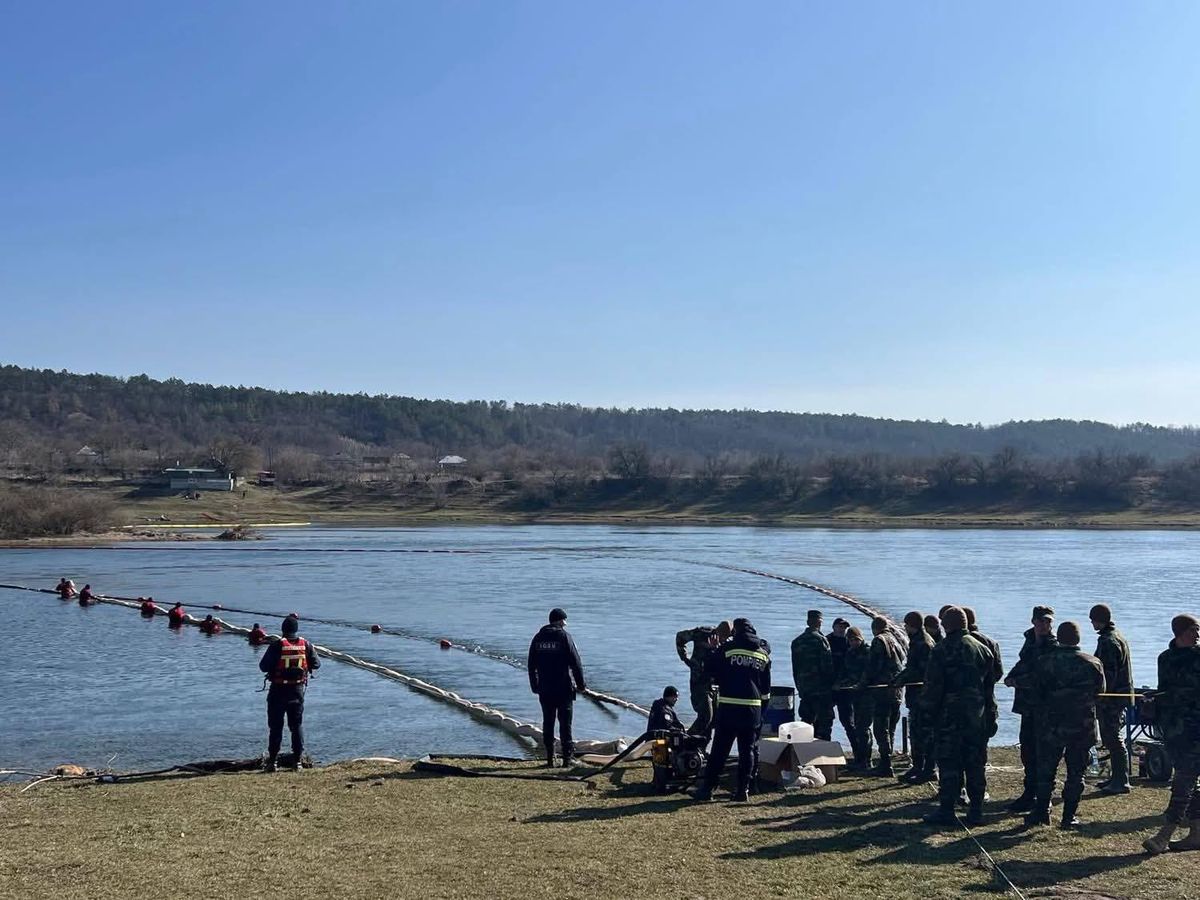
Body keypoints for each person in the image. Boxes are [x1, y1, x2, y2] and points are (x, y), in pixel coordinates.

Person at [1023, 621, 1104, 828]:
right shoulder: (1092, 663)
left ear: (1059, 637)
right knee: (1076, 773)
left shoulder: (1045, 662)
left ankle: (1042, 811)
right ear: (1078, 639)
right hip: (1081, 726)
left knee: (1046, 770)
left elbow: (1036, 692)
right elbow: (1099, 691)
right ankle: (1069, 816)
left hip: (1050, 725)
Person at [921, 606, 996, 827]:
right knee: (975, 764)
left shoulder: (941, 650)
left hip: (949, 718)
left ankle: (947, 810)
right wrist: (991, 717)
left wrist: (926, 715)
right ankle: (976, 810)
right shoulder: (984, 650)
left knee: (949, 763)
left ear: (947, 625)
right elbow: (989, 689)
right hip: (977, 716)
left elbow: (933, 688)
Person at [694, 617, 771, 802]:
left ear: (734, 632)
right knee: (748, 752)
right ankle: (742, 790)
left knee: (719, 751)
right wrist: (762, 714)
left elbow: (709, 673)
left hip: (729, 708)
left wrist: (713, 649)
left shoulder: (727, 650)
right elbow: (766, 690)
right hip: (753, 710)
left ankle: (707, 790)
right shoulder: (763, 654)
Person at [1143, 614, 1200, 854]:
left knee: (1184, 779)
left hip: (1197, 726)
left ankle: (1164, 834)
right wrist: (1153, 702)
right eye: (1192, 630)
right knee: (1190, 778)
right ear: (1179, 632)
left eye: (1198, 630)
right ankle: (1196, 834)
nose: (1197, 634)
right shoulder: (1165, 658)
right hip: (1175, 728)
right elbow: (1165, 689)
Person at [1003, 605, 1057, 813]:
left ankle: (1044, 797)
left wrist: (1017, 681)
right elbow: (1024, 663)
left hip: (1045, 707)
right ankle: (1029, 793)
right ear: (1033, 621)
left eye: (1048, 621)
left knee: (1043, 753)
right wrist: (1011, 676)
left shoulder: (1053, 646)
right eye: (1041, 621)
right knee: (1028, 751)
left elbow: (1042, 676)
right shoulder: (1030, 641)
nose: (1045, 625)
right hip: (1028, 707)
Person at [258, 614, 320, 772]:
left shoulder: (277, 645)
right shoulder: (305, 644)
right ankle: (297, 762)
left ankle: (272, 762)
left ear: (282, 630)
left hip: (277, 692)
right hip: (297, 692)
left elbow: (263, 666)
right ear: (296, 630)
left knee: (276, 727)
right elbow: (316, 664)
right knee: (296, 726)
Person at [528, 607, 586, 767]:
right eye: (564, 621)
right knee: (565, 723)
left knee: (548, 722)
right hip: (563, 688)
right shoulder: (564, 637)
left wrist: (535, 685)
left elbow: (531, 665)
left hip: (545, 689)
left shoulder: (538, 638)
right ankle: (568, 759)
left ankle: (549, 758)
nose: (565, 624)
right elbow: (576, 663)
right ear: (560, 621)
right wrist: (581, 685)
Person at [1090, 603, 1133, 795]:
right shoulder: (1117, 637)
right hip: (1119, 696)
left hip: (1111, 698)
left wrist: (1100, 694)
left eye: (1093, 619)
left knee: (1113, 738)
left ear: (1099, 620)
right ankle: (1116, 777)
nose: (1091, 623)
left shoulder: (1108, 641)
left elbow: (1108, 674)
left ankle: (1121, 780)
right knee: (1111, 737)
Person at [861, 616, 905, 776]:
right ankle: (887, 761)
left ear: (874, 629)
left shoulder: (879, 640)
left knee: (881, 728)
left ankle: (885, 764)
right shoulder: (896, 639)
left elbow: (873, 666)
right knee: (891, 728)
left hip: (883, 692)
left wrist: (862, 684)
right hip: (897, 691)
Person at [896, 611, 935, 783]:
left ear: (911, 625)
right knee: (916, 733)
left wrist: (898, 680)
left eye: (906, 625)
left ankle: (928, 769)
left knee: (924, 734)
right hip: (917, 697)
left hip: (923, 697)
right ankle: (918, 766)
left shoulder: (922, 643)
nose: (904, 628)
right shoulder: (918, 641)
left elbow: (918, 671)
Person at [791, 610, 835, 741]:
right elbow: (828, 666)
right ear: (819, 622)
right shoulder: (821, 640)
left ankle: (804, 751)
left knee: (806, 721)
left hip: (805, 688)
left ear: (807, 622)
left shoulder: (797, 642)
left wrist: (800, 686)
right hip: (821, 689)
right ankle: (823, 753)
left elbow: (795, 668)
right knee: (824, 722)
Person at [675, 622, 722, 736]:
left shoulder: (729, 641)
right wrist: (685, 658)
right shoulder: (702, 633)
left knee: (713, 721)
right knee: (706, 717)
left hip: (714, 685)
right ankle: (685, 740)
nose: (723, 641)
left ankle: (700, 747)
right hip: (699, 681)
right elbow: (680, 636)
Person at [836, 626, 872, 769]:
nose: (853, 642)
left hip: (866, 694)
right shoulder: (850, 653)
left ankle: (866, 760)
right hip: (855, 694)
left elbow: (869, 672)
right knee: (858, 727)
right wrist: (839, 683)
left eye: (856, 639)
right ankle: (861, 758)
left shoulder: (868, 651)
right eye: (851, 640)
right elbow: (845, 671)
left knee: (864, 728)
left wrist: (860, 684)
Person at [828, 618, 855, 751]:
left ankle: (857, 752)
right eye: (839, 626)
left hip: (845, 689)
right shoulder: (827, 641)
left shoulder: (849, 642)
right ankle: (823, 749)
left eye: (844, 627)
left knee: (848, 722)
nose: (842, 629)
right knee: (825, 720)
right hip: (830, 687)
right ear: (833, 627)